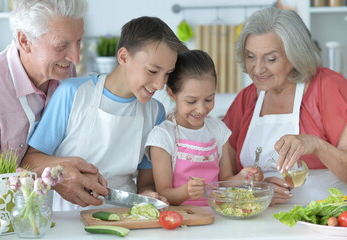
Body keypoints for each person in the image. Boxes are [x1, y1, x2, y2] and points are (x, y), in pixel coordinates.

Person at [22, 16, 188, 210]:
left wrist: (147, 195)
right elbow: (30, 161)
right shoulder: (73, 93)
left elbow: (146, 183)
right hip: (67, 217)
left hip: (124, 215)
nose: (160, 84)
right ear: (123, 57)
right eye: (152, 71)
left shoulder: (155, 112)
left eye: (167, 73)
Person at [222, 7, 347, 205]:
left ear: (295, 55)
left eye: (271, 59)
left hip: (322, 221)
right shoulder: (247, 98)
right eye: (250, 56)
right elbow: (224, 177)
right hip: (260, 222)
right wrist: (256, 188)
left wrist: (317, 146)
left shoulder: (328, 86)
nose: (258, 69)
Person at [145, 50, 263, 206]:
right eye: (191, 101)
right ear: (172, 94)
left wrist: (242, 177)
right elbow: (163, 193)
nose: (201, 109)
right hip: (180, 219)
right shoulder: (163, 136)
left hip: (216, 215)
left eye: (209, 99)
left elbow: (224, 181)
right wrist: (186, 191)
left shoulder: (218, 130)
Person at [0, 0, 86, 165]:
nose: (75, 58)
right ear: (25, 41)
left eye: (79, 41)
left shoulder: (65, 71)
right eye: (61, 45)